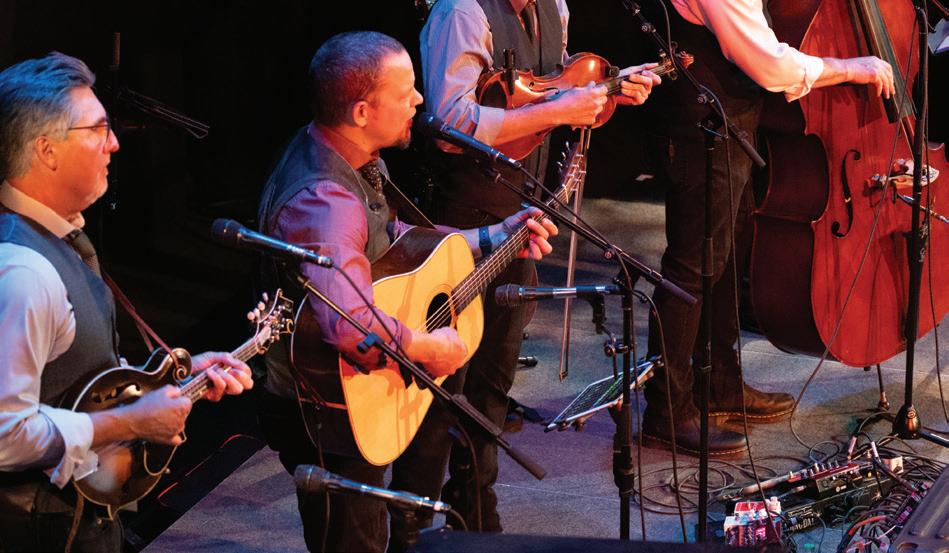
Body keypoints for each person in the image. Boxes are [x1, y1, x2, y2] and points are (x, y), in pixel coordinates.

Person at [255, 31, 557, 553]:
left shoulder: (347, 152)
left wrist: (494, 237)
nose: (420, 99)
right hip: (331, 406)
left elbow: (394, 241)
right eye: (406, 92)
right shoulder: (325, 200)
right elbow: (351, 327)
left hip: (350, 395)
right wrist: (424, 347)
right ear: (362, 112)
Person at [418, 0, 660, 532]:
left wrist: (609, 88)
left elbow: (551, 82)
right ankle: (408, 525)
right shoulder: (462, 12)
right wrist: (560, 111)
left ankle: (475, 509)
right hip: (461, 216)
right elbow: (449, 122)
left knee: (493, 378)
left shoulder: (555, 6)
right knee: (443, 385)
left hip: (523, 208)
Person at [0, 52, 254, 552]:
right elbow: (5, 433)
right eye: (98, 129)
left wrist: (176, 377)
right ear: (47, 150)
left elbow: (70, 377)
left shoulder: (58, 240)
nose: (115, 143)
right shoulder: (24, 272)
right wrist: (133, 422)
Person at [633, 0, 895, 457]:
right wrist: (851, 68)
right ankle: (667, 412)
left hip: (727, 123)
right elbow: (772, 67)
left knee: (725, 259)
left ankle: (719, 385)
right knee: (692, 269)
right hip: (702, 131)